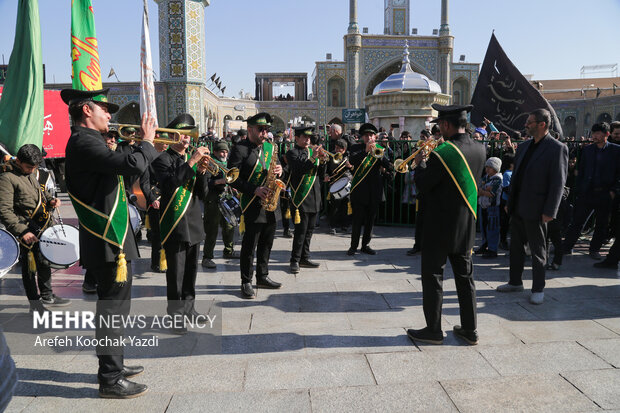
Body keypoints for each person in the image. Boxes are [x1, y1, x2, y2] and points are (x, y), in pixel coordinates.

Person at [63, 87, 157, 398]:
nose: (109, 114)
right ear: (87, 110)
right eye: (104, 108)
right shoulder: (82, 142)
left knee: (116, 309)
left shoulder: (91, 141)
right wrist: (147, 141)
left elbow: (120, 170)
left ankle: (114, 363)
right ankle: (110, 378)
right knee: (112, 310)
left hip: (113, 239)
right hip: (107, 241)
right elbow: (132, 166)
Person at [406, 104, 485, 346]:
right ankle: (470, 330)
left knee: (433, 277)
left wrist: (420, 162)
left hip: (438, 225)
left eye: (440, 125)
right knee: (465, 278)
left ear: (448, 125)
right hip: (466, 224)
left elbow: (424, 184)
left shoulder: (444, 152)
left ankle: (433, 330)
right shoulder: (480, 148)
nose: (439, 129)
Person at [497, 109, 568, 305]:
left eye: (530, 122)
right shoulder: (524, 146)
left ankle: (538, 288)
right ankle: (515, 282)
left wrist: (550, 211)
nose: (526, 125)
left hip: (538, 210)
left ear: (542, 124)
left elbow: (557, 182)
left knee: (538, 251)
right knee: (515, 248)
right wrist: (509, 203)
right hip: (518, 207)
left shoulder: (557, 148)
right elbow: (517, 177)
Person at [152, 114, 210, 331]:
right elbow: (170, 185)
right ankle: (176, 316)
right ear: (173, 136)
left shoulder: (191, 160)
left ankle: (189, 309)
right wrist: (193, 162)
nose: (187, 140)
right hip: (175, 224)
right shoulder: (162, 160)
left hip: (194, 222)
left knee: (191, 273)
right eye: (183, 135)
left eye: (189, 135)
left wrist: (202, 173)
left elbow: (203, 194)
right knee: (175, 275)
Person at [0, 144, 69, 311]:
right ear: (19, 161)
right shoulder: (7, 178)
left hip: (42, 225)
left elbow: (39, 193)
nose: (32, 170)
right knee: (30, 269)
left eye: (35, 167)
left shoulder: (30, 174)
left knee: (45, 261)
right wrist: (22, 231)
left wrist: (50, 200)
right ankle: (35, 304)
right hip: (25, 230)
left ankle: (47, 294)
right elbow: (4, 210)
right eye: (29, 166)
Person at [228, 113, 283, 299]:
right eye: (261, 129)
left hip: (270, 203)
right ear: (250, 129)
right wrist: (254, 190)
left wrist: (281, 170)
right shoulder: (239, 149)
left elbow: (279, 167)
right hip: (252, 203)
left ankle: (263, 276)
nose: (264, 133)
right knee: (250, 246)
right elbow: (233, 179)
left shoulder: (271, 147)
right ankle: (246, 281)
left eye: (266, 129)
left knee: (267, 243)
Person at [562, 122, 620, 259]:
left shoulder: (616, 150)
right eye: (593, 133)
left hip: (605, 193)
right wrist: (581, 188)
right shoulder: (588, 150)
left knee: (601, 224)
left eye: (598, 133)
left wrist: (613, 191)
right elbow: (581, 170)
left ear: (606, 134)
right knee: (577, 221)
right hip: (587, 192)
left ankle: (594, 249)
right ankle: (566, 247)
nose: (594, 136)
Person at [347, 123, 394, 256]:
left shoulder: (379, 149)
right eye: (366, 135)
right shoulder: (356, 147)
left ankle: (366, 245)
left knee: (370, 220)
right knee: (357, 220)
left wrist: (380, 155)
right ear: (362, 137)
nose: (369, 137)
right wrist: (366, 151)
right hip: (359, 190)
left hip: (374, 190)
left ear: (375, 136)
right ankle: (353, 246)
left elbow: (388, 166)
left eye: (371, 135)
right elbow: (353, 160)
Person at [286, 126, 326, 273]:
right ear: (297, 138)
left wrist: (322, 161)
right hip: (301, 198)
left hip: (314, 195)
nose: (308, 140)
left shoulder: (311, 151)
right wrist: (314, 157)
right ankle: (294, 260)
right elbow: (298, 169)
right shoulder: (292, 153)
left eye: (309, 138)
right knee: (300, 231)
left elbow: (321, 174)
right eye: (305, 137)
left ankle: (305, 257)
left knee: (309, 231)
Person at [201, 141, 239, 269]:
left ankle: (229, 250)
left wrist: (233, 187)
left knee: (230, 225)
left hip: (226, 197)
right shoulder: (209, 163)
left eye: (226, 152)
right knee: (212, 230)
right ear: (216, 152)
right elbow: (205, 183)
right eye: (222, 151)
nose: (224, 154)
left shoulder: (227, 163)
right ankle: (207, 257)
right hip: (213, 199)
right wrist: (219, 181)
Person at [475, 157, 503, 258]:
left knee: (492, 228)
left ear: (495, 168)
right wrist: (484, 190)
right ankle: (484, 245)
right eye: (486, 167)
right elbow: (479, 187)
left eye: (490, 167)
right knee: (484, 227)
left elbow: (492, 193)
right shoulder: (486, 177)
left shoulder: (498, 179)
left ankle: (492, 249)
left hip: (492, 208)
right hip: (483, 206)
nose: (487, 169)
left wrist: (483, 191)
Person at [325, 139, 353, 234]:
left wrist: (350, 166)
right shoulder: (331, 155)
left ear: (344, 149)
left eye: (338, 148)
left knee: (346, 204)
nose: (336, 150)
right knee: (335, 206)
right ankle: (333, 225)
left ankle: (346, 225)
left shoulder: (349, 156)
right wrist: (326, 175)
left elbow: (354, 169)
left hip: (346, 182)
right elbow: (327, 169)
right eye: (335, 147)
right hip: (335, 183)